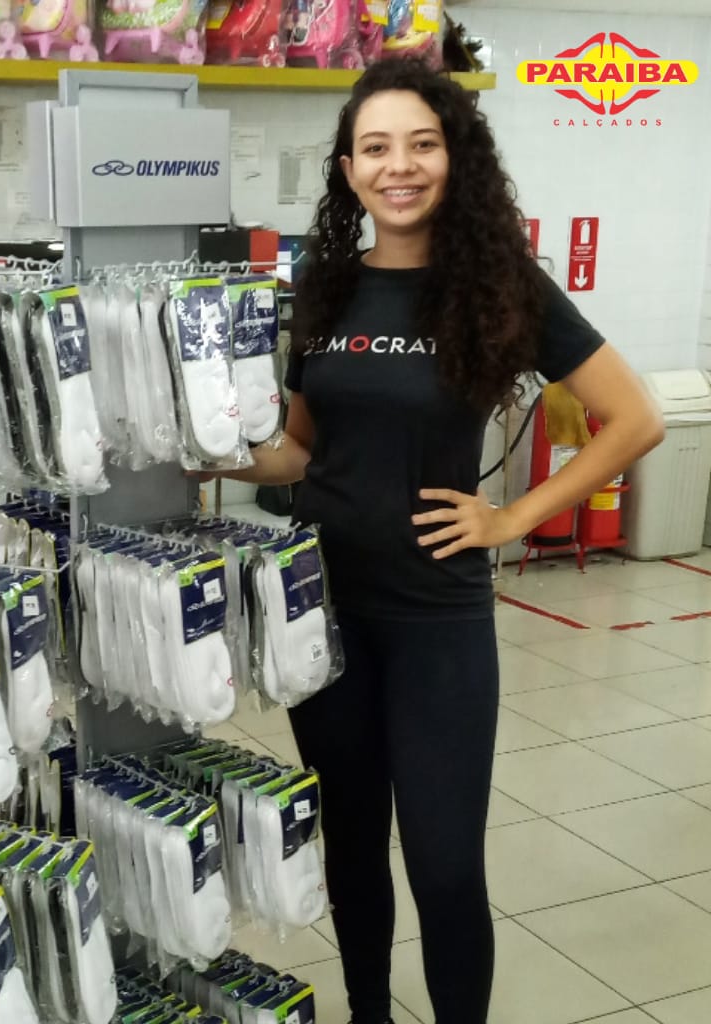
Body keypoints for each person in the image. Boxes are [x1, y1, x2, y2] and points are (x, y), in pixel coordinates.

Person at [207, 61, 664, 1023]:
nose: (399, 166)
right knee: (351, 841)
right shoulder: (325, 286)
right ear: (348, 169)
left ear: (456, 158)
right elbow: (301, 451)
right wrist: (206, 456)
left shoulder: (499, 287)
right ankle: (369, 1012)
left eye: (422, 144)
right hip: (322, 610)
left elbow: (635, 419)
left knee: (446, 864)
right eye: (375, 148)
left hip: (437, 618)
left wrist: (510, 519)